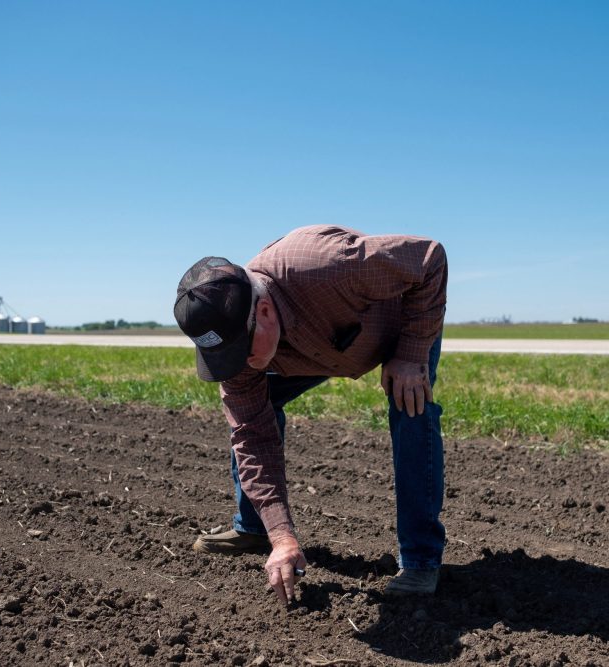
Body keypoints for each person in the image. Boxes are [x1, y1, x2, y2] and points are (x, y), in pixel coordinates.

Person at [173, 225, 447, 605]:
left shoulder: (331, 265)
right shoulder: (242, 353)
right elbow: (253, 437)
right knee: (253, 417)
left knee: (411, 409)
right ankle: (256, 528)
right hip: (316, 347)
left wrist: (412, 353)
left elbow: (429, 259)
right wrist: (282, 537)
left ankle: (420, 560)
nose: (240, 365)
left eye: (240, 351)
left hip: (397, 327)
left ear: (264, 311)